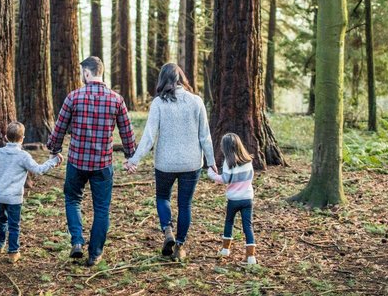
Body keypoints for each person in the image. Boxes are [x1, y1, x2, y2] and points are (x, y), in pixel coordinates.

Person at [47, 56, 136, 267]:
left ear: (87, 73)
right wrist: (130, 156)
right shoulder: (116, 99)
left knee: (72, 200)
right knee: (102, 209)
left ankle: (77, 241)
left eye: (82, 73)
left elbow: (59, 128)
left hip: (77, 162)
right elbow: (127, 132)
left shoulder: (73, 97)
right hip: (103, 164)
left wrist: (54, 150)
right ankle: (95, 254)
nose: (82, 76)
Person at [124, 63, 216, 261]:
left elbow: (149, 137)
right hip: (191, 163)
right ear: (180, 78)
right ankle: (180, 246)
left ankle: (168, 230)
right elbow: (205, 136)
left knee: (162, 197)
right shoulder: (197, 101)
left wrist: (134, 160)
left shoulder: (158, 103)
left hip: (165, 163)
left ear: (163, 80)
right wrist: (211, 161)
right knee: (185, 205)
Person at [0, 121, 62, 263]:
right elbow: (38, 170)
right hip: (14, 198)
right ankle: (13, 252)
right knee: (14, 225)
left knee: (0, 219)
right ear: (22, 138)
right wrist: (53, 161)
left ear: (6, 137)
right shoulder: (23, 156)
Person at [207, 132, 257, 265]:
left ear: (225, 148)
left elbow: (225, 179)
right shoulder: (248, 161)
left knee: (229, 222)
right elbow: (250, 177)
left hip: (234, 200)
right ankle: (250, 256)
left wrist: (211, 174)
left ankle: (225, 249)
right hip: (247, 199)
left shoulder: (228, 163)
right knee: (248, 225)